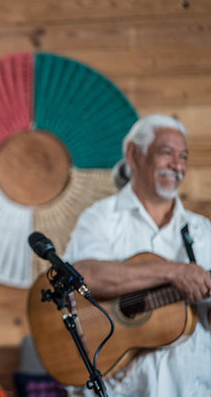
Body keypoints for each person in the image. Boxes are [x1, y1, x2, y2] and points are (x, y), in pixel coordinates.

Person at [63, 114, 211, 396]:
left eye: (183, 157)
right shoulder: (101, 218)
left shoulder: (202, 230)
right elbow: (83, 276)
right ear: (133, 154)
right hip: (119, 389)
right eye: (166, 153)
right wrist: (174, 272)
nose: (177, 166)